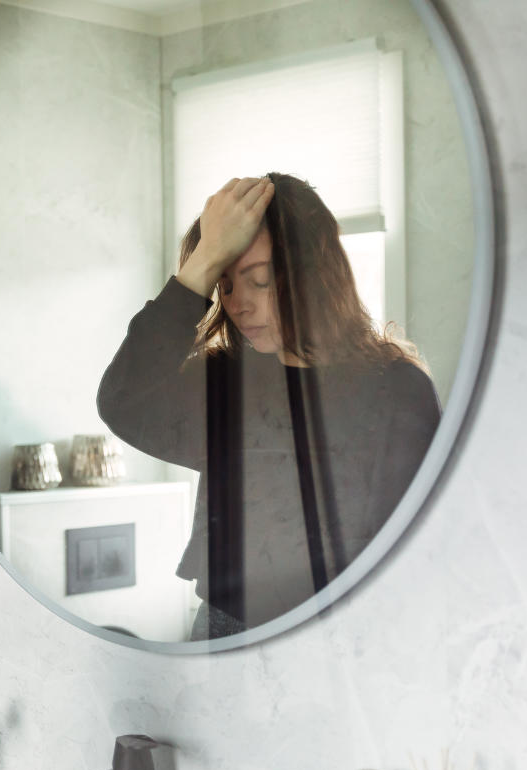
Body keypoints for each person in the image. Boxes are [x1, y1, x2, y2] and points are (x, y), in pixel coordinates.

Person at [98, 174, 440, 641]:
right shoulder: (222, 385)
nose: (238, 305)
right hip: (223, 628)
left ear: (313, 275)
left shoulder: (396, 391)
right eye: (224, 286)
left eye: (259, 280)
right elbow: (122, 401)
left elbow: (417, 550)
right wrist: (198, 267)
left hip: (348, 636)